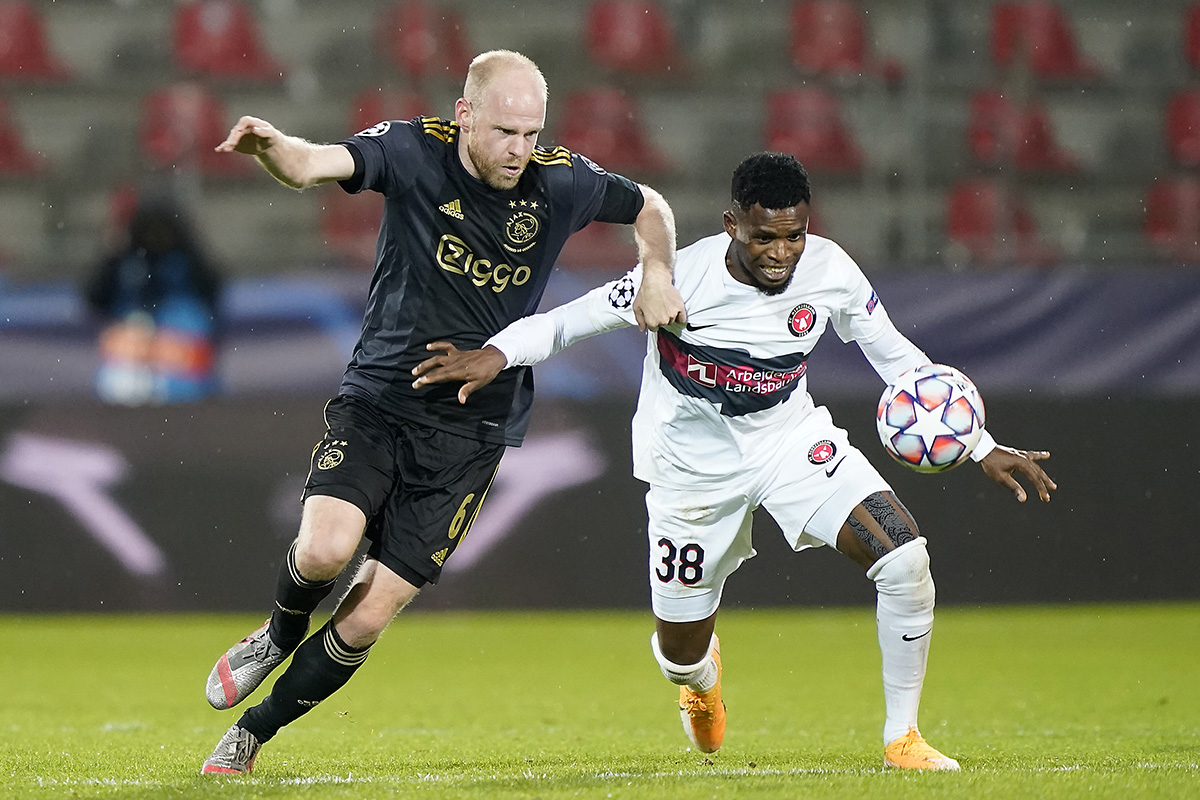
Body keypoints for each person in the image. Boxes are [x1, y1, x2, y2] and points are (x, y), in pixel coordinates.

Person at [411, 152, 1057, 770]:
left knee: (905, 559)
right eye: (763, 237)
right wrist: (495, 355)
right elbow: (564, 324)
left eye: (794, 236)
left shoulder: (830, 270)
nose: (781, 253)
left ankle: (903, 737)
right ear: (732, 225)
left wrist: (979, 443)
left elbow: (895, 357)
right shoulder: (679, 278)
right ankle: (701, 681)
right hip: (689, 475)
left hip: (790, 443)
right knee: (679, 653)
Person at [199, 49, 686, 775]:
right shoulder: (411, 151)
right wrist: (273, 148)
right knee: (326, 551)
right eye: (504, 132)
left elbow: (651, 206)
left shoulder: (560, 182)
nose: (520, 150)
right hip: (380, 398)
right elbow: (309, 166)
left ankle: (252, 733)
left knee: (368, 614)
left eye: (532, 133)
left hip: (473, 429)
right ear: (464, 115)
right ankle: (276, 634)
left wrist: (657, 269)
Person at [84, 194, 222, 404]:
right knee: (121, 386)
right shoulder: (125, 265)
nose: (156, 238)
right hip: (129, 363)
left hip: (182, 370)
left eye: (163, 230)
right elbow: (95, 300)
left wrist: (165, 349)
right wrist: (115, 247)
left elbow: (212, 293)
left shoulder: (187, 267)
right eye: (148, 230)